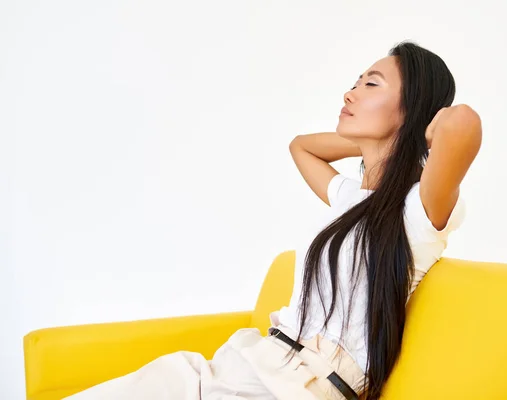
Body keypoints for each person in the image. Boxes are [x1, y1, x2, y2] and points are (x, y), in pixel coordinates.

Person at [66, 41, 482, 400]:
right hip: (245, 363)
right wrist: (371, 139)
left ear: (414, 111)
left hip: (300, 387)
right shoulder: (347, 198)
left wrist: (415, 131)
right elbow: (301, 147)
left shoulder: (417, 214)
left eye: (371, 84)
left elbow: (462, 123)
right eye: (356, 81)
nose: (350, 93)